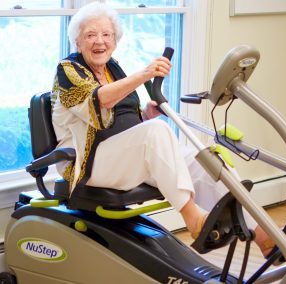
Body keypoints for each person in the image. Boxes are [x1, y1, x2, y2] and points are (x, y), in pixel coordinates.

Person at [51, 1, 274, 257]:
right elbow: (100, 101)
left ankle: (263, 234)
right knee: (157, 132)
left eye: (106, 34)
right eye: (90, 35)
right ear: (77, 41)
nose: (99, 41)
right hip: (87, 165)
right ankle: (192, 217)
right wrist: (145, 74)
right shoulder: (68, 69)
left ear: (115, 40)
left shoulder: (112, 68)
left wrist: (146, 114)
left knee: (204, 160)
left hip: (119, 160)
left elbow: (125, 123)